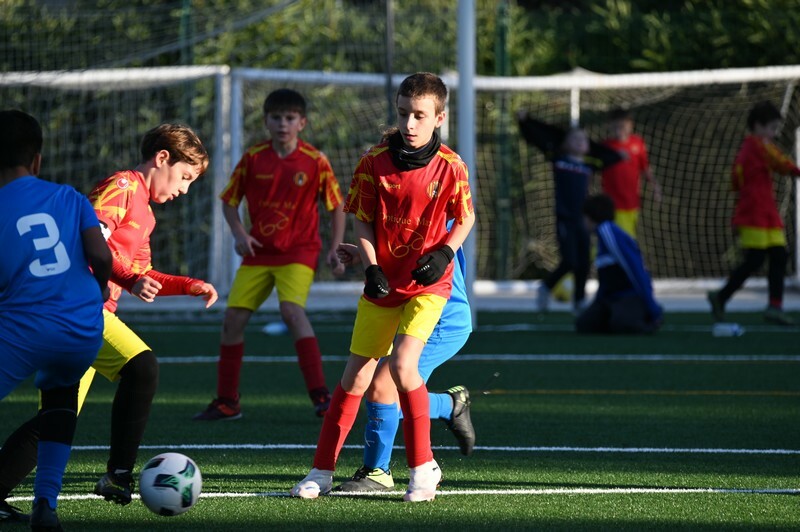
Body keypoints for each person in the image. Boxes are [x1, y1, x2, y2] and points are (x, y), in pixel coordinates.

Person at [0, 123, 217, 515]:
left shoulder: (146, 214)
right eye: (185, 177)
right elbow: (92, 244)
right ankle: (118, 473)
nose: (185, 189)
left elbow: (142, 275)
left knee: (55, 418)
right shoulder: (123, 187)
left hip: (86, 318)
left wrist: (188, 285)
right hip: (77, 308)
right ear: (162, 158)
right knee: (142, 367)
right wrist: (129, 280)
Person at [290, 72, 475, 503]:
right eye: (403, 113)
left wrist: (444, 253)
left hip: (428, 288)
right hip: (384, 286)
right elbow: (363, 220)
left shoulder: (451, 166)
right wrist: (371, 265)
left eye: (419, 115)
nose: (409, 123)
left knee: (403, 369)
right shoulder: (373, 162)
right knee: (355, 377)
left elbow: (465, 217)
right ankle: (321, 471)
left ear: (439, 118)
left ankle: (421, 469)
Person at [193, 88, 345, 421]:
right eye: (276, 118)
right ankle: (227, 402)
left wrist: (336, 247)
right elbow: (229, 201)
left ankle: (322, 396)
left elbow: (336, 206)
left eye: (290, 118)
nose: (282, 124)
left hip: (299, 251)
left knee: (291, 312)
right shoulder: (253, 158)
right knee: (232, 321)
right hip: (258, 253)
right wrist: (240, 234)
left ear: (302, 123)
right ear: (266, 121)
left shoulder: (315, 161)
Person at [0, 109, 112, 529]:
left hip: (25, 326)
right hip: (82, 327)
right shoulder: (70, 196)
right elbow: (101, 255)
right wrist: (100, 288)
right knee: (61, 399)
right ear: (37, 160)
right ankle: (45, 503)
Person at [331, 239, 474, 493]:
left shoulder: (441, 217)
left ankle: (379, 471)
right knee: (386, 393)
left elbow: (425, 250)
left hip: (442, 321)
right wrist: (368, 255)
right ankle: (450, 405)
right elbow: (403, 245)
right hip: (414, 316)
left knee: (382, 387)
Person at [707, 101, 800, 326]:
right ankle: (721, 296)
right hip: (753, 213)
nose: (774, 134)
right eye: (772, 128)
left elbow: (736, 179)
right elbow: (781, 163)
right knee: (757, 259)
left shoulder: (756, 147)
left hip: (767, 213)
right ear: (758, 126)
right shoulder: (757, 146)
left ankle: (774, 306)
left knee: (778, 255)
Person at [575, 194, 663, 334]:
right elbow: (606, 280)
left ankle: (645, 318)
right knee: (584, 324)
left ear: (591, 217)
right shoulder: (601, 237)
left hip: (629, 296)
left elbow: (635, 270)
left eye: (584, 217)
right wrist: (598, 303)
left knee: (622, 324)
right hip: (611, 299)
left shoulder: (608, 232)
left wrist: (652, 308)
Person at [537, 128, 597, 313]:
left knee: (584, 262)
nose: (580, 141)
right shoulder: (560, 162)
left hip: (583, 221)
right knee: (570, 261)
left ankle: (579, 301)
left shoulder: (589, 166)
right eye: (575, 138)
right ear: (565, 143)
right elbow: (540, 140)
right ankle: (546, 287)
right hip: (566, 220)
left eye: (583, 139)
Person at [601, 107, 661, 238]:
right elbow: (593, 170)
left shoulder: (638, 143)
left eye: (622, 126)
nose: (619, 130)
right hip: (611, 204)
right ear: (610, 126)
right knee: (616, 239)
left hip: (632, 203)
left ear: (631, 125)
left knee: (625, 238)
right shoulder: (605, 146)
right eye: (616, 126)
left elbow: (645, 168)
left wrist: (655, 187)